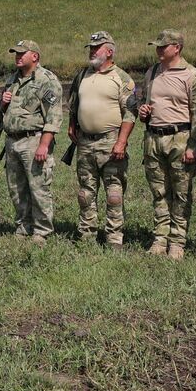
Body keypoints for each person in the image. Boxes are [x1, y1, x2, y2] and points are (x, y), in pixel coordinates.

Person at [135, 30, 196, 259]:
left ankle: (177, 241)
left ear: (176, 48)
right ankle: (160, 239)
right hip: (153, 138)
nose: (158, 50)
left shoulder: (191, 76)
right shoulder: (152, 72)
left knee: (181, 192)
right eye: (156, 46)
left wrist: (193, 146)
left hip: (180, 138)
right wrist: (143, 111)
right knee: (159, 191)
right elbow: (143, 103)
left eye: (163, 46)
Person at [0, 40, 62, 245]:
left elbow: (53, 117)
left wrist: (44, 145)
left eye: (22, 53)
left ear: (35, 56)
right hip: (12, 141)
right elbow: (3, 113)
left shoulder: (47, 80)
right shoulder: (12, 79)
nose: (17, 56)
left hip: (33, 140)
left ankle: (42, 231)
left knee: (38, 188)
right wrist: (3, 104)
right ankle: (23, 226)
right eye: (15, 53)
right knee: (17, 188)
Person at [67, 32, 136, 248]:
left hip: (111, 141)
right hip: (85, 143)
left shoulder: (122, 78)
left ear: (110, 51)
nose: (92, 51)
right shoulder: (82, 76)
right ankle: (87, 234)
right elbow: (74, 103)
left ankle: (114, 237)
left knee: (114, 192)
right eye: (90, 47)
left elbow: (130, 113)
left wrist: (121, 142)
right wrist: (72, 124)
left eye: (97, 47)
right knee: (85, 192)